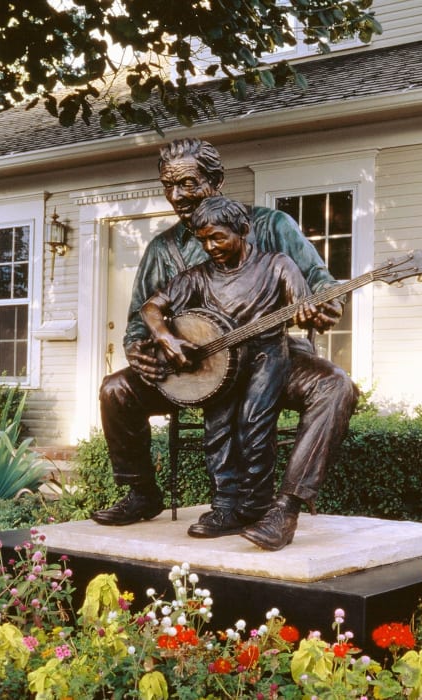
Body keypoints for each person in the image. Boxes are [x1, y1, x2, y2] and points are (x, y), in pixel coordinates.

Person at [93, 137, 358, 551]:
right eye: (169, 185)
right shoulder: (162, 250)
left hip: (270, 356)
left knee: (336, 384)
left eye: (188, 183)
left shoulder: (272, 227)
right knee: (116, 389)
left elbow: (323, 285)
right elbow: (138, 321)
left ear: (215, 181)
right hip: (193, 367)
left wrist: (324, 306)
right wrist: (141, 349)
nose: (177, 195)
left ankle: (284, 507)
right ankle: (142, 493)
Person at [141, 196, 315, 543]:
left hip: (266, 353)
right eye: (203, 240)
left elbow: (302, 302)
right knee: (217, 427)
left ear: (243, 230)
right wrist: (167, 339)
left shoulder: (278, 265)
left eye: (218, 237)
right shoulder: (198, 277)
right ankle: (224, 506)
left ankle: (255, 506)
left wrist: (307, 311)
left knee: (253, 421)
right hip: (217, 365)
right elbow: (151, 308)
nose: (210, 247)